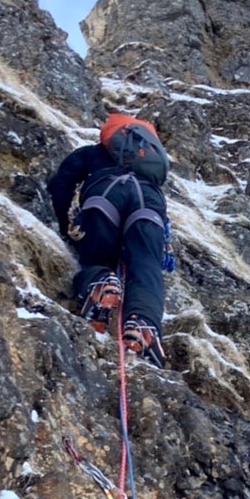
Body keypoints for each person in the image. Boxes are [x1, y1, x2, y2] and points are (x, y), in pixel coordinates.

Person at [48, 113, 171, 367]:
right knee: (146, 264)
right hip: (149, 203)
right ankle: (143, 323)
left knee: (96, 255)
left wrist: (66, 228)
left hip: (104, 196)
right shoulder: (149, 165)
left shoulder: (91, 153)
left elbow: (61, 184)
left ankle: (101, 284)